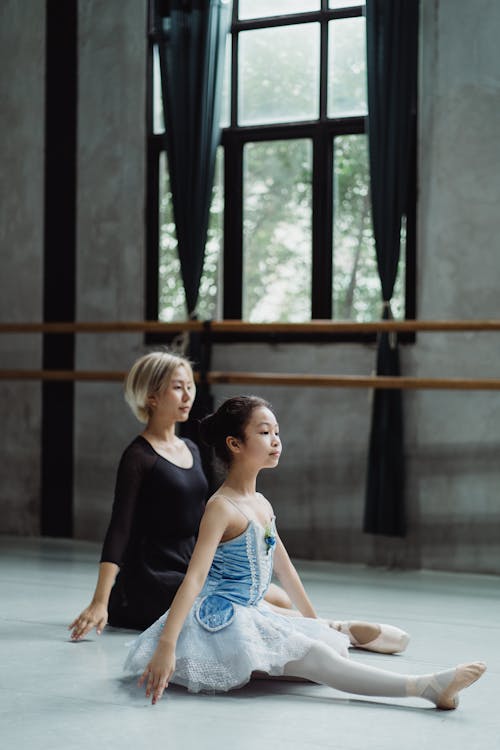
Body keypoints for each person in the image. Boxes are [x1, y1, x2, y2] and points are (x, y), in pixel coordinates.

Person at [124, 396, 486, 707]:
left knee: (319, 652)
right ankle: (426, 688)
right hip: (220, 623)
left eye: (277, 432)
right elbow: (195, 578)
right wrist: (167, 645)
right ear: (235, 444)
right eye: (264, 433)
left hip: (251, 611)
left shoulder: (260, 502)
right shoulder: (221, 507)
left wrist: (315, 625)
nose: (276, 440)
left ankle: (339, 633)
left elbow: (285, 569)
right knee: (319, 661)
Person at [69, 352, 409, 655]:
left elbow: (220, 515)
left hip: (187, 566)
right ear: (152, 396)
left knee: (273, 595)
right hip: (151, 579)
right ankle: (337, 630)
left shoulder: (190, 448)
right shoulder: (138, 456)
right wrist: (100, 601)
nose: (188, 395)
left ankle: (319, 628)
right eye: (177, 387)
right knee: (246, 604)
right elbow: (120, 527)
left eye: (190, 386)